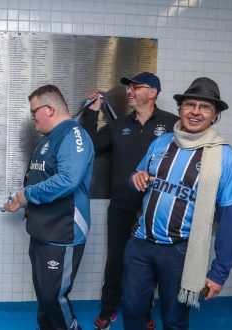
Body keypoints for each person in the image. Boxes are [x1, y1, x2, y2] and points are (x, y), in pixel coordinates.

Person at [123, 77, 232, 330]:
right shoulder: (160, 143)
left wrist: (219, 272)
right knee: (132, 311)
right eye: (190, 105)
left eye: (204, 107)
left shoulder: (225, 157)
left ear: (215, 116)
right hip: (140, 245)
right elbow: (136, 178)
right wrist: (135, 178)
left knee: (174, 319)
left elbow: (230, 218)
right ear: (180, 109)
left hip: (179, 252)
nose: (195, 112)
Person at [78, 72, 178, 330]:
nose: (129, 91)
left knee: (150, 263)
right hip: (122, 205)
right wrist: (92, 113)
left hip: (156, 208)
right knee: (116, 260)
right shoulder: (117, 125)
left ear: (153, 92)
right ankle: (108, 309)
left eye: (136, 87)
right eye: (129, 88)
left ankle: (144, 313)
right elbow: (87, 148)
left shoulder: (173, 124)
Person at [3, 84, 94, 330]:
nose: (32, 117)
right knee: (45, 297)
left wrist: (26, 196)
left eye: (34, 111)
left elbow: (68, 180)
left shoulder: (73, 135)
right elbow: (40, 179)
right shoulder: (49, 139)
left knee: (54, 297)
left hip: (63, 231)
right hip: (41, 230)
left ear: (50, 109)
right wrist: (18, 198)